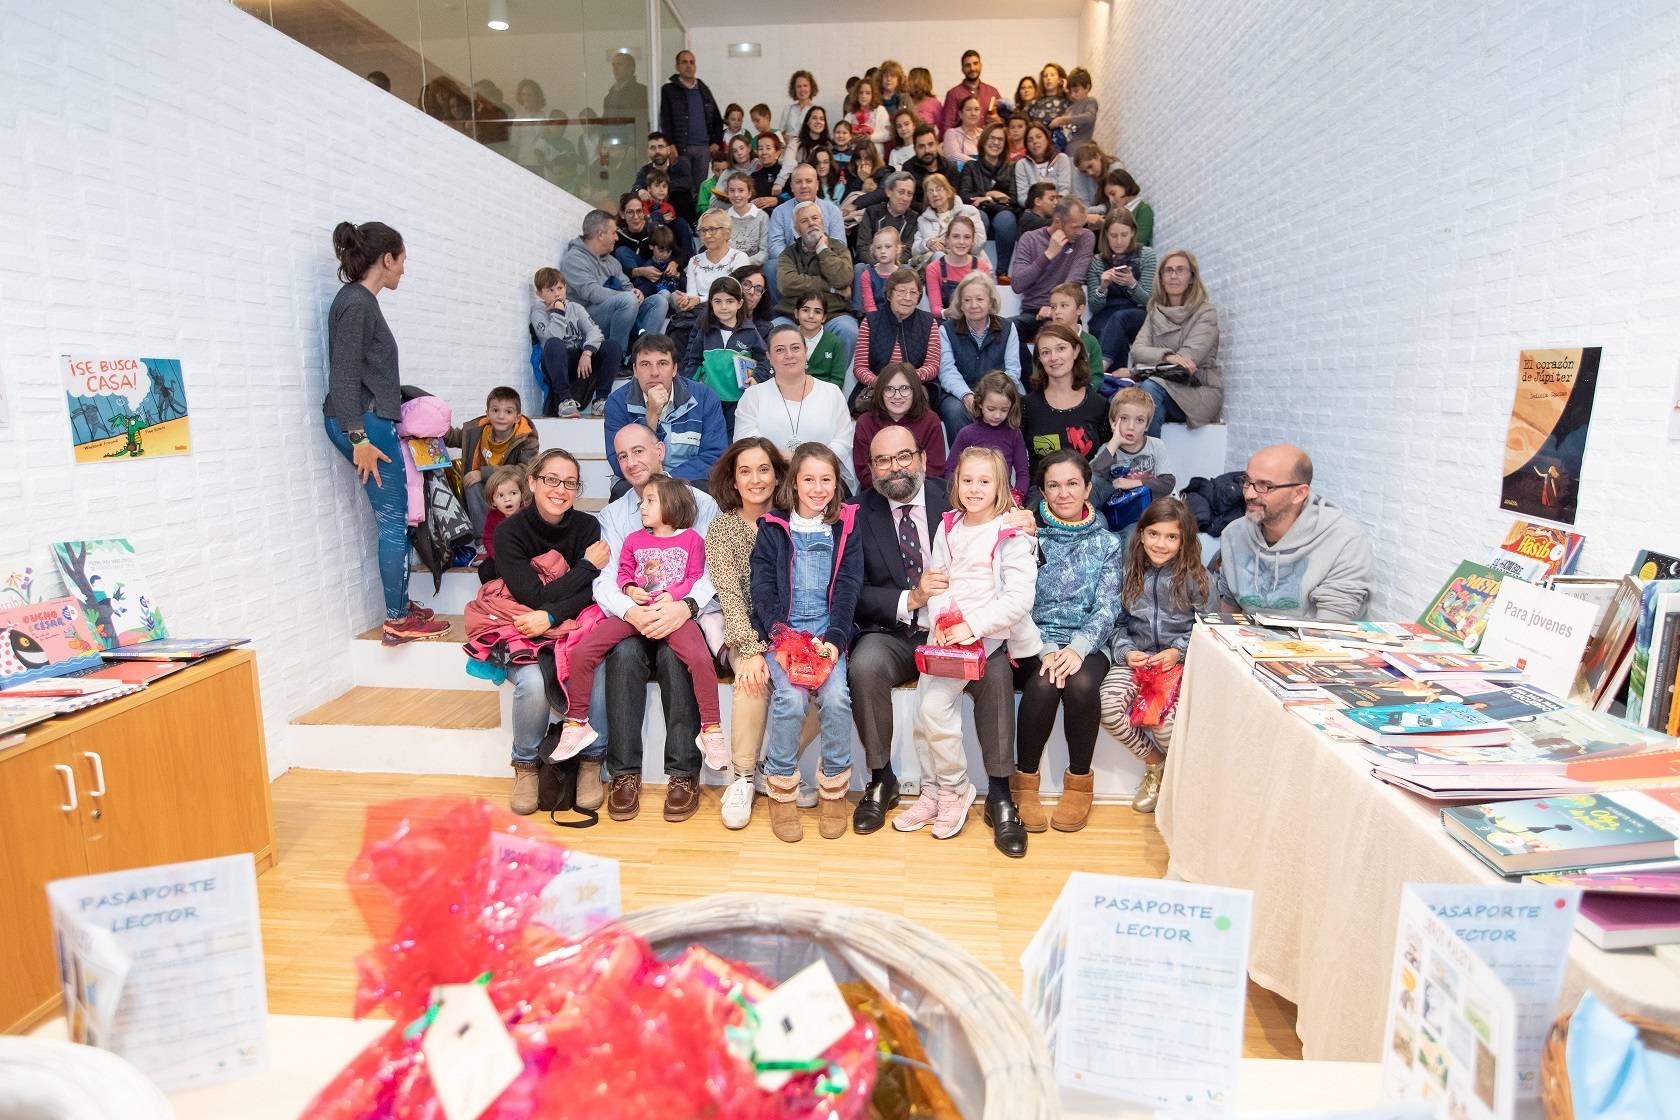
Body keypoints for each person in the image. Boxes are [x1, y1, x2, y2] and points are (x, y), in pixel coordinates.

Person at [897, 446, 1040, 848]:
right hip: (946, 635)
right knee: (924, 722)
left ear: (1001, 488)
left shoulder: (1011, 531)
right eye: (967, 480)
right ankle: (931, 791)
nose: (975, 489)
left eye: (985, 481)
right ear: (955, 483)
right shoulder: (949, 527)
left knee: (933, 709)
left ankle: (956, 789)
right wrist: (943, 622)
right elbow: (938, 581)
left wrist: (971, 626)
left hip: (988, 634)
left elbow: (1018, 599)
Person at [323, 220, 450, 644]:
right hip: (364, 424)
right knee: (395, 520)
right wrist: (358, 438)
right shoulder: (357, 303)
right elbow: (341, 377)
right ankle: (397, 618)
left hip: (369, 422)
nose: (404, 271)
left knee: (397, 518)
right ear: (386, 258)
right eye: (402, 261)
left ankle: (400, 605)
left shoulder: (360, 302)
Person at [594, 426, 724, 823]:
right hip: (635, 614)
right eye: (622, 456)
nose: (631, 462)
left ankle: (683, 773)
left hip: (682, 613)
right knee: (625, 655)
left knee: (674, 657)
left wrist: (685, 606)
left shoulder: (701, 503)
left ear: (660, 451)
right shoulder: (614, 514)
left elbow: (712, 566)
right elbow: (607, 575)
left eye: (639, 451)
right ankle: (624, 773)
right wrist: (630, 610)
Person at [555, 473, 727, 770]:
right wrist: (630, 590)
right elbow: (623, 572)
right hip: (637, 614)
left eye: (650, 501)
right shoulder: (634, 540)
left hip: (672, 615)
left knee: (700, 660)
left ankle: (711, 731)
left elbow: (694, 578)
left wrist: (672, 596)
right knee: (583, 651)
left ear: (671, 505)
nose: (642, 507)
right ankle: (577, 722)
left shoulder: (693, 540)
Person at [748, 443, 863, 842]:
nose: (817, 488)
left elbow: (849, 585)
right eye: (809, 479)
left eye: (826, 480)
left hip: (827, 635)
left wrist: (835, 639)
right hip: (785, 635)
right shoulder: (773, 527)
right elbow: (761, 587)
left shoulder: (846, 525)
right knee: (790, 699)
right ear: (794, 482)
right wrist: (780, 637)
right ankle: (781, 790)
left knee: (836, 699)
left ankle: (834, 790)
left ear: (837, 483)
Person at [705, 439, 820, 829]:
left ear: (777, 474)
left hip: (794, 630)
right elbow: (730, 596)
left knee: (825, 685)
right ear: (733, 481)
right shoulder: (722, 528)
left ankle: (774, 766)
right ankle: (740, 778)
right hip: (743, 631)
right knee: (751, 680)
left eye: (764, 469)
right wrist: (751, 650)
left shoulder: (795, 519)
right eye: (745, 471)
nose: (756, 479)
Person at [1014, 450, 1123, 835]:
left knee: (1080, 684)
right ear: (1042, 492)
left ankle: (1079, 783)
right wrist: (1046, 649)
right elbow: (1018, 602)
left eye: (1072, 483)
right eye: (1054, 485)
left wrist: (1077, 648)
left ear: (1088, 488)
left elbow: (1109, 605)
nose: (1063, 493)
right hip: (1035, 639)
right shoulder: (1028, 539)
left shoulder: (1108, 544)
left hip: (1089, 642)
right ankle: (1024, 784)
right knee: (1045, 683)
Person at [496, 448, 608, 814]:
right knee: (531, 683)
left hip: (570, 622)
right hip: (521, 624)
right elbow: (532, 595)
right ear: (532, 482)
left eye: (570, 483)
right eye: (551, 480)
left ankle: (592, 762)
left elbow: (590, 592)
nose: (561, 489)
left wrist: (552, 613)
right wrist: (587, 566)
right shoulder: (510, 532)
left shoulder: (588, 527)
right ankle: (526, 766)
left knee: (595, 665)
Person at [1099, 497, 1209, 813]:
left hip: (1178, 663)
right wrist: (1125, 651)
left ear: (1184, 540)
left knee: (1164, 724)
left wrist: (1179, 651)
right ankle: (1156, 766)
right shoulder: (1128, 572)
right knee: (1108, 708)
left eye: (1171, 537)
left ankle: (1184, 790)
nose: (1161, 544)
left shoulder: (1196, 579)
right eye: (1154, 534)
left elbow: (1207, 627)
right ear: (1142, 534)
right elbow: (1117, 623)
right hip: (1137, 659)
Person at [1212, 445, 1375, 621]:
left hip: (1318, 644)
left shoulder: (1344, 540)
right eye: (1247, 481)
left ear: (1299, 493)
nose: (1249, 494)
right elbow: (1229, 608)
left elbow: (1331, 628)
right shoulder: (1234, 534)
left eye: (1265, 485)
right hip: (1250, 642)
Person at [735, 324, 856, 490]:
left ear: (806, 351)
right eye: (779, 350)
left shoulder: (831, 393)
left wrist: (811, 465)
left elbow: (843, 440)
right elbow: (746, 440)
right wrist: (782, 457)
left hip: (821, 486)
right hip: (770, 484)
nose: (789, 355)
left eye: (795, 348)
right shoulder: (753, 396)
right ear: (768, 356)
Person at [603, 334, 728, 493]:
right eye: (645, 364)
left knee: (712, 489)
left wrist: (668, 479)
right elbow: (617, 460)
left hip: (690, 479)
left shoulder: (705, 398)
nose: (654, 372)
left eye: (662, 363)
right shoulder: (617, 403)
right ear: (634, 370)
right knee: (621, 491)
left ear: (674, 368)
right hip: (639, 479)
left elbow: (715, 455)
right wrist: (651, 416)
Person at [1115, 249, 1222, 433]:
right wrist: (1168, 357)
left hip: (1196, 391)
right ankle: (1142, 457)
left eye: (1180, 270)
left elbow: (1186, 364)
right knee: (1123, 400)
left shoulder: (1206, 314)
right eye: (1168, 270)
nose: (1174, 275)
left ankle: (1147, 459)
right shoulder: (1155, 312)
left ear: (1191, 278)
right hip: (1161, 389)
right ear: (1161, 278)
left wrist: (1136, 369)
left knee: (1148, 391)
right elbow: (1138, 350)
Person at [561, 209, 670, 359]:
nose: (617, 238)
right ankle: (616, 358)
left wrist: (635, 292)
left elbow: (627, 285)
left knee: (659, 301)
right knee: (627, 300)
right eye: (613, 233)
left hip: (617, 312)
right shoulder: (574, 259)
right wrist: (627, 295)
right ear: (600, 235)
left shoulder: (612, 262)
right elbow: (591, 293)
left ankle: (642, 356)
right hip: (586, 319)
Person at [936, 271, 1022, 441]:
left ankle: (1003, 459)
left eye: (980, 299)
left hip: (999, 390)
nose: (973, 305)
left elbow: (1013, 370)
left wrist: (993, 397)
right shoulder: (946, 329)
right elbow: (947, 372)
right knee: (954, 411)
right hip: (959, 392)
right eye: (967, 300)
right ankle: (964, 461)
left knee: (1018, 402)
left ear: (990, 302)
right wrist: (966, 395)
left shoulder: (1007, 328)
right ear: (960, 304)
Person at [1009, 197, 1094, 364]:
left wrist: (1055, 306)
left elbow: (1074, 279)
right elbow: (1018, 284)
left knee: (1057, 334)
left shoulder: (1085, 237)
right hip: (1032, 312)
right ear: (1058, 222)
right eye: (1075, 227)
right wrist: (1048, 255)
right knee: (1005, 330)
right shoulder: (1030, 238)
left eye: (1082, 226)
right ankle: (1031, 383)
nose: (1080, 231)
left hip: (1065, 311)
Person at [447, 385, 538, 539]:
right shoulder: (479, 430)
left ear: (517, 417)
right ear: (487, 413)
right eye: (495, 410)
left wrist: (483, 473)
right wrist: (434, 427)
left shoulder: (526, 438)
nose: (501, 416)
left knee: (481, 479)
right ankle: (483, 539)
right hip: (487, 487)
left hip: (514, 490)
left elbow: (525, 470)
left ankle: (513, 536)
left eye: (508, 412)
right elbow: (454, 437)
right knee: (471, 481)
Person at [773, 200, 859, 358]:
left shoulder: (838, 248)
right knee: (776, 328)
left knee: (848, 330)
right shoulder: (788, 254)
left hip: (833, 313)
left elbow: (843, 279)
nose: (811, 223)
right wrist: (830, 288)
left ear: (823, 222)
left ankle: (835, 382)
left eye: (815, 218)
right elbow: (786, 284)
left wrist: (823, 250)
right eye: (804, 221)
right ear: (797, 229)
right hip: (794, 315)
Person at [1022, 322, 1110, 477]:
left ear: (1075, 351)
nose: (1053, 358)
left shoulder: (1099, 405)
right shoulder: (1027, 406)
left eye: (1061, 348)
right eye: (1045, 352)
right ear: (1039, 359)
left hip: (1087, 491)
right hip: (1042, 492)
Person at [529, 268, 619, 418]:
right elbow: (552, 337)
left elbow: (595, 332)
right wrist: (558, 312)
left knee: (612, 346)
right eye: (550, 290)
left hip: (579, 361)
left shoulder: (575, 308)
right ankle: (565, 401)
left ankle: (601, 401)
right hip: (556, 362)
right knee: (554, 344)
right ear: (539, 294)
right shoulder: (538, 312)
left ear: (565, 288)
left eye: (560, 288)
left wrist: (587, 352)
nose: (557, 294)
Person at [680, 276, 767, 430]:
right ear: (710, 303)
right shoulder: (705, 331)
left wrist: (756, 377)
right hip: (710, 399)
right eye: (718, 301)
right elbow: (693, 360)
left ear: (740, 303)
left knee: (733, 442)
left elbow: (765, 360)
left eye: (730, 301)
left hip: (739, 401)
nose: (723, 307)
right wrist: (692, 386)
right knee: (712, 436)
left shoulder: (751, 332)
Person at [853, 268, 941, 415]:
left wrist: (906, 382)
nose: (907, 297)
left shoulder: (928, 321)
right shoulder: (870, 321)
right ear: (890, 294)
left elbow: (932, 366)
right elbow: (860, 367)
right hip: (877, 388)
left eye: (913, 293)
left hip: (916, 388)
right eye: (901, 291)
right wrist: (882, 384)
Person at [1092, 387, 1176, 530]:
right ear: (1113, 421)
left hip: (1145, 514)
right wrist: (1114, 443)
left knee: (1135, 533)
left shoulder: (1155, 446)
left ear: (1147, 425)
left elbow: (1168, 483)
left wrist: (1135, 483)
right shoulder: (1109, 449)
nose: (1131, 427)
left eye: (1139, 420)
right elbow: (1093, 479)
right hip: (1117, 513)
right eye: (1124, 419)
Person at [853, 362, 947, 487]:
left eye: (905, 389)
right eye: (889, 389)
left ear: (915, 391)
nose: (897, 396)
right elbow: (864, 472)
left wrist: (906, 490)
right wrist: (894, 489)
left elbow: (935, 470)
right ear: (880, 392)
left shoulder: (930, 421)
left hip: (921, 493)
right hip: (879, 492)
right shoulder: (865, 423)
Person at [1087, 209, 1156, 374]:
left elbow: (1149, 301)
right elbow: (1094, 307)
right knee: (1105, 328)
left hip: (1138, 312)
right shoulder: (1098, 261)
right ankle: (1116, 381)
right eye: (1113, 235)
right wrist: (1103, 287)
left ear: (1133, 232)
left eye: (1124, 235)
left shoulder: (1146, 255)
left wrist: (1132, 284)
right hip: (1107, 312)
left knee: (1120, 319)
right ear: (1106, 235)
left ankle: (1098, 370)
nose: (1118, 241)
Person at [766, 165, 847, 304]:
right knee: (771, 266)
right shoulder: (779, 212)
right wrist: (795, 262)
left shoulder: (833, 211)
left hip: (822, 263)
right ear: (791, 187)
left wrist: (818, 259)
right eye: (798, 182)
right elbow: (774, 246)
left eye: (808, 181)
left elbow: (840, 245)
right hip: (791, 264)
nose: (803, 186)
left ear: (817, 185)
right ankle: (780, 312)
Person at [948, 371, 1029, 501]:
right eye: (991, 409)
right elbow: (950, 471)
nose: (997, 415)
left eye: (1004, 410)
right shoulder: (966, 434)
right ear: (980, 403)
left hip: (1003, 500)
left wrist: (1017, 497)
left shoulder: (1014, 434)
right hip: (972, 499)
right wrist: (961, 496)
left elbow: (1023, 473)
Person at [657, 49, 723, 194]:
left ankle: (698, 217)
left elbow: (717, 119)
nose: (688, 65)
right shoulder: (669, 90)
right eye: (684, 62)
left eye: (692, 62)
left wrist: (716, 142)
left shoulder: (704, 90)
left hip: (703, 149)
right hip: (681, 149)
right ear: (677, 66)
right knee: (682, 188)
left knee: (700, 189)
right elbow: (665, 119)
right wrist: (670, 144)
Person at [957, 123, 1018, 271]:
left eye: (1000, 139)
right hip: (980, 212)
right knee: (979, 217)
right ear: (984, 140)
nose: (996, 143)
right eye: (992, 138)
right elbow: (964, 196)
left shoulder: (1011, 168)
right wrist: (991, 195)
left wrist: (985, 199)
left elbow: (1013, 200)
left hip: (1002, 213)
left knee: (1007, 220)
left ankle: (1002, 272)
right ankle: (973, 268)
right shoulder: (971, 166)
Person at [923, 213, 990, 318]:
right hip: (947, 322)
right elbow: (936, 309)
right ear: (947, 240)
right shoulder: (934, 268)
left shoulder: (982, 268)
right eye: (956, 236)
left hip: (975, 321)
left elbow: (987, 305)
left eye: (967, 237)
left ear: (973, 241)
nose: (961, 242)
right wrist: (954, 312)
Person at [911, 174, 985, 268]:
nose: (934, 194)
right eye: (930, 191)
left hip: (968, 263)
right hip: (937, 266)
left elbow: (979, 244)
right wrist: (928, 243)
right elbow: (914, 250)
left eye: (938, 189)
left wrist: (948, 242)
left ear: (948, 192)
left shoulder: (969, 212)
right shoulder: (923, 220)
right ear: (927, 198)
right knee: (939, 256)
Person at [850, 170, 918, 267]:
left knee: (907, 268)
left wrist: (891, 265)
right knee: (859, 268)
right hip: (872, 266)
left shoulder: (913, 218)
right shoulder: (872, 212)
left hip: (898, 269)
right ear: (888, 192)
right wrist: (878, 265)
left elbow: (908, 251)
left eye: (909, 194)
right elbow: (863, 247)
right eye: (901, 192)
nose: (905, 198)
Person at [474, 464, 528, 585]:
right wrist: (496, 556)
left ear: (521, 495)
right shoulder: (493, 516)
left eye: (513, 493)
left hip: (524, 558)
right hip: (500, 557)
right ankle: (494, 596)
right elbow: (488, 538)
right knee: (485, 569)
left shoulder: (527, 515)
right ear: (493, 501)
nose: (507, 499)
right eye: (501, 495)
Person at [687, 209, 750, 305]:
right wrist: (685, 301)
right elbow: (692, 296)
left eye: (712, 229)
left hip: (728, 313)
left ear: (727, 232)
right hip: (699, 313)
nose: (707, 235)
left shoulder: (739, 258)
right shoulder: (694, 261)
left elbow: (733, 294)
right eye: (704, 230)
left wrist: (700, 300)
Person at [794, 291, 849, 391]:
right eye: (805, 310)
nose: (811, 316)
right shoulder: (788, 339)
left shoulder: (833, 342)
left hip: (824, 397)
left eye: (817, 312)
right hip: (791, 394)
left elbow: (838, 379)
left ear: (824, 317)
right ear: (796, 313)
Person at [1046, 282, 1105, 375]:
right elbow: (1038, 373)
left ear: (1079, 309)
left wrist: (1086, 389)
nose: (1057, 311)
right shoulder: (1045, 340)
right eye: (1053, 307)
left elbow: (1097, 375)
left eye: (1064, 306)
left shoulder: (1091, 342)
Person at [941, 49, 1004, 131]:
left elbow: (1004, 123)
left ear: (981, 66)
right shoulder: (953, 94)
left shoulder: (992, 92)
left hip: (988, 142)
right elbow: (947, 125)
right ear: (962, 69)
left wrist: (997, 120)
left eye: (975, 64)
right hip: (962, 142)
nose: (972, 68)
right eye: (967, 65)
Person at [1013, 122, 1072, 206]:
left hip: (1058, 208)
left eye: (1038, 137)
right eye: (1030, 140)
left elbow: (1065, 190)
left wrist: (1053, 203)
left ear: (1047, 139)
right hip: (1034, 212)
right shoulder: (1022, 164)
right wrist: (1042, 205)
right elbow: (1022, 198)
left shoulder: (1061, 159)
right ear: (1027, 145)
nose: (1035, 142)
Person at [776, 107, 832, 192]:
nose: (818, 122)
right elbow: (789, 164)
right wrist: (779, 183)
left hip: (823, 188)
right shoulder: (796, 142)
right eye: (814, 118)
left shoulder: (829, 145)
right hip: (800, 187)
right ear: (807, 122)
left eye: (821, 119)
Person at [602, 50, 649, 149]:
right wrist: (603, 142)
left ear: (631, 69)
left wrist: (636, 147)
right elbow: (605, 123)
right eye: (613, 65)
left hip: (632, 147)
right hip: (613, 147)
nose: (615, 68)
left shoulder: (641, 92)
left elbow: (642, 123)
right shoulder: (609, 96)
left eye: (619, 64)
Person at [854, 226, 904, 315]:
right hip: (875, 318)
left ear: (897, 249)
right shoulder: (867, 274)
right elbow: (869, 306)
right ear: (873, 251)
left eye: (888, 246)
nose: (883, 251)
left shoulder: (903, 274)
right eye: (878, 247)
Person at [723, 173, 770, 265]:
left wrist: (743, 263)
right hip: (729, 266)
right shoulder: (723, 217)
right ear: (727, 193)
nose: (736, 195)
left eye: (741, 190)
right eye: (732, 190)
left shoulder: (762, 217)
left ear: (749, 193)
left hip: (753, 267)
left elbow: (765, 252)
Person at [1101, 168, 1154, 246]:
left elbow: (1140, 240)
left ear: (1125, 186)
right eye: (1108, 197)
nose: (1111, 200)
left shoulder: (1143, 209)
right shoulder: (1114, 213)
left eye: (1113, 194)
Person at [1069, 140, 1123, 216]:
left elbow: (1117, 201)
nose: (1090, 173)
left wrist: (1090, 211)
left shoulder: (1115, 168)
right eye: (1084, 171)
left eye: (1090, 166)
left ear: (1098, 156)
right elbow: (1082, 203)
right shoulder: (1079, 173)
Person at [1057, 68, 1099, 150]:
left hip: (1081, 153)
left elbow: (1090, 116)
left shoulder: (1090, 101)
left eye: (1076, 91)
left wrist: (1066, 120)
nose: (1072, 95)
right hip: (1067, 153)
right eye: (1071, 91)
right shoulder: (1070, 108)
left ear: (1087, 88)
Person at [1028, 63, 1070, 146]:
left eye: (1052, 75)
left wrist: (1066, 89)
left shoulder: (1067, 101)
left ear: (1060, 79)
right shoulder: (1034, 104)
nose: (1048, 78)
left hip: (1062, 150)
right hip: (1039, 149)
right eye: (1045, 76)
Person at [844, 77, 891, 144]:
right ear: (856, 95)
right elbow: (842, 133)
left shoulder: (880, 110)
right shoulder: (850, 115)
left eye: (868, 93)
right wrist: (851, 138)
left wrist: (870, 137)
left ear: (873, 95)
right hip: (855, 152)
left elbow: (888, 134)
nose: (864, 96)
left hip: (875, 151)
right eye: (861, 93)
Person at [941, 96, 986, 164]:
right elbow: (952, 156)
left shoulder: (983, 133)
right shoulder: (952, 133)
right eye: (968, 109)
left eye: (976, 109)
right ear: (960, 114)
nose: (973, 113)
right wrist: (979, 164)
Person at [732, 264, 776, 333]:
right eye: (746, 285)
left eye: (758, 289)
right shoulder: (713, 320)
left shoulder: (765, 330)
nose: (751, 292)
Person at [781, 70, 819, 141]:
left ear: (811, 87)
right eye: (799, 86)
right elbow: (781, 133)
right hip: (789, 148)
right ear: (794, 89)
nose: (802, 89)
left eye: (805, 85)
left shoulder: (816, 111)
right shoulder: (787, 109)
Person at [750, 132, 784, 207]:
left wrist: (777, 200)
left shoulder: (785, 174)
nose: (764, 152)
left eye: (768, 148)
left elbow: (794, 196)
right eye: (760, 149)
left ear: (777, 153)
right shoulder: (754, 176)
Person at [905, 67, 943, 132]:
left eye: (910, 79)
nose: (907, 82)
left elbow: (942, 128)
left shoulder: (934, 103)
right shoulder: (904, 100)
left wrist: (934, 140)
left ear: (921, 81)